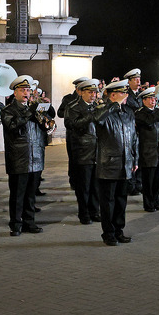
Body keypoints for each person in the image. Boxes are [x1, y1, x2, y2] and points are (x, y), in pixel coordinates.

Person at [1, 75, 49, 236]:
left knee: (30, 195)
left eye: (28, 90)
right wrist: (30, 112)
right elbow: (12, 126)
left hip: (36, 157)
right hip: (18, 158)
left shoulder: (34, 108)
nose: (26, 93)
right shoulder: (8, 110)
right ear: (15, 93)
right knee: (17, 195)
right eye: (22, 90)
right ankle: (15, 224)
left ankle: (29, 222)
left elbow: (45, 128)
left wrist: (45, 120)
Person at [94, 79, 138, 245]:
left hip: (125, 163)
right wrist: (112, 106)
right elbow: (97, 120)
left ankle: (119, 230)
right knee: (108, 201)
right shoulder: (102, 110)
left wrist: (135, 158)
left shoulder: (128, 112)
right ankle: (108, 233)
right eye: (122, 93)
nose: (126, 96)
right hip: (108, 164)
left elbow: (134, 137)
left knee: (121, 200)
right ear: (113, 95)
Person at [63, 79, 102, 224]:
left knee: (95, 185)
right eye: (90, 92)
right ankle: (84, 213)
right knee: (83, 186)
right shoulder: (73, 107)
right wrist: (91, 115)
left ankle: (95, 211)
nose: (93, 95)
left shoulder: (97, 106)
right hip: (82, 150)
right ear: (82, 92)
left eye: (95, 92)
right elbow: (72, 125)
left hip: (97, 150)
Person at [135, 85, 159, 212]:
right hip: (148, 152)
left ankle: (156, 201)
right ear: (144, 100)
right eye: (150, 99)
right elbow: (149, 121)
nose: (153, 101)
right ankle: (148, 203)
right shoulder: (141, 114)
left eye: (154, 98)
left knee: (157, 180)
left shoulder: (157, 113)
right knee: (148, 181)